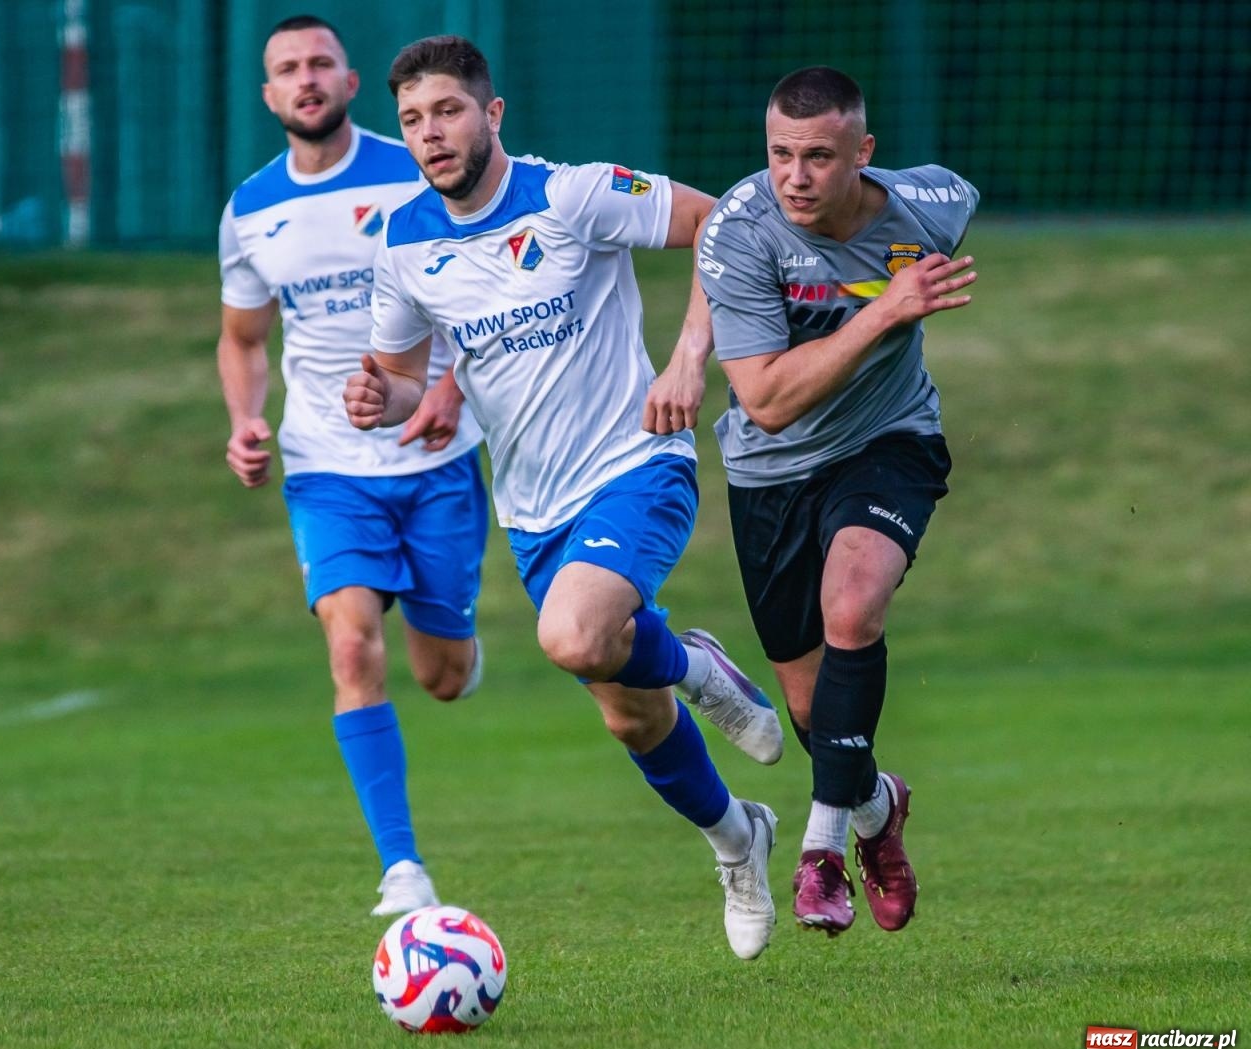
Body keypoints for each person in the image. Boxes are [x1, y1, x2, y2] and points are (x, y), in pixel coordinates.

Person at [345, 35, 786, 960]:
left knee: (573, 636)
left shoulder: (571, 194)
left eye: (449, 112)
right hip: (535, 513)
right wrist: (377, 398)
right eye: (414, 120)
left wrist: (689, 356)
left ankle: (702, 668)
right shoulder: (403, 244)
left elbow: (724, 225)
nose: (431, 134)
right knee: (632, 713)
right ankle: (738, 838)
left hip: (637, 463)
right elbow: (400, 379)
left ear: (492, 114)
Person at [646, 65, 979, 936]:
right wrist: (885, 310)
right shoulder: (745, 228)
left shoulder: (928, 205)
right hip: (772, 471)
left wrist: (899, 294)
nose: (794, 175)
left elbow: (957, 192)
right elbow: (765, 400)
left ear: (862, 154)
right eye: (780, 154)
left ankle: (821, 852)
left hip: (888, 440)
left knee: (854, 602)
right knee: (811, 709)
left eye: (819, 157)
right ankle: (877, 808)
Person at [216, 16, 490, 917]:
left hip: (437, 453)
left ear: (349, 78)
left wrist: (449, 385)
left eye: (320, 64)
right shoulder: (251, 209)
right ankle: (403, 868)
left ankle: (454, 639)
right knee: (349, 642)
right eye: (287, 69)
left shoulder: (416, 165)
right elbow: (243, 338)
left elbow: (483, 285)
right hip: (326, 467)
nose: (305, 79)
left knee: (443, 678)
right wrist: (246, 419)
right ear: (269, 94)